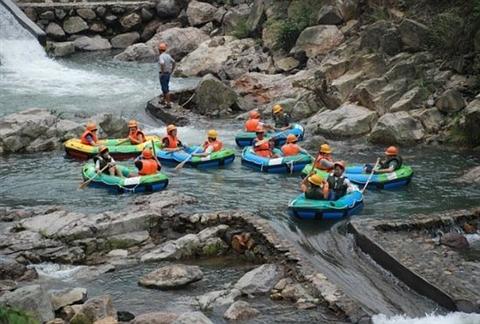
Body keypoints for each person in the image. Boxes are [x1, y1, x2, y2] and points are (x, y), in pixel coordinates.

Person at [158, 42, 176, 108]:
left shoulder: (161, 56)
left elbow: (162, 63)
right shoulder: (168, 56)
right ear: (165, 49)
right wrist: (172, 70)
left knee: (165, 89)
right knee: (164, 87)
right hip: (168, 74)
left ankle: (168, 104)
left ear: (159, 50)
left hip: (163, 74)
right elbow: (174, 62)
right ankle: (163, 100)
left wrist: (162, 73)